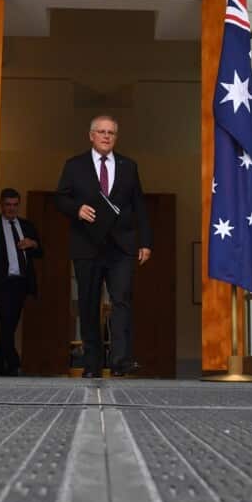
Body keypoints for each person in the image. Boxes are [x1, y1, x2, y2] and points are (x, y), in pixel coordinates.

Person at [55, 114, 152, 378]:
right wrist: (77, 209)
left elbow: (139, 206)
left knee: (121, 302)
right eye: (101, 132)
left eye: (111, 132)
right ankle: (92, 363)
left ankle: (120, 361)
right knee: (88, 304)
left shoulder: (128, 166)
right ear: (91, 136)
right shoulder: (74, 165)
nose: (106, 136)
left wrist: (145, 241)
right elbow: (60, 198)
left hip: (122, 247)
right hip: (87, 245)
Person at [0, 188, 40, 376]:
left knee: (9, 324)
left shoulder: (26, 226)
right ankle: (13, 362)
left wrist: (32, 243)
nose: (11, 209)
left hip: (21, 282)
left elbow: (41, 250)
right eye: (7, 205)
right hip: (1, 282)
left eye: (15, 205)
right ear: (1, 205)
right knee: (7, 321)